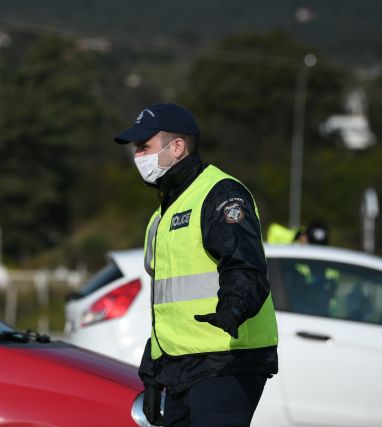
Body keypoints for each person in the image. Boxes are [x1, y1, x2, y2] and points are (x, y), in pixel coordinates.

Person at [114, 103, 278, 426]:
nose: (138, 157)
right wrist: (152, 374)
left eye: (144, 147)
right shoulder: (159, 218)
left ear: (177, 147)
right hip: (180, 369)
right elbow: (165, 308)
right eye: (136, 149)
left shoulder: (220, 194)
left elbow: (245, 265)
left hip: (227, 361)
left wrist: (232, 308)